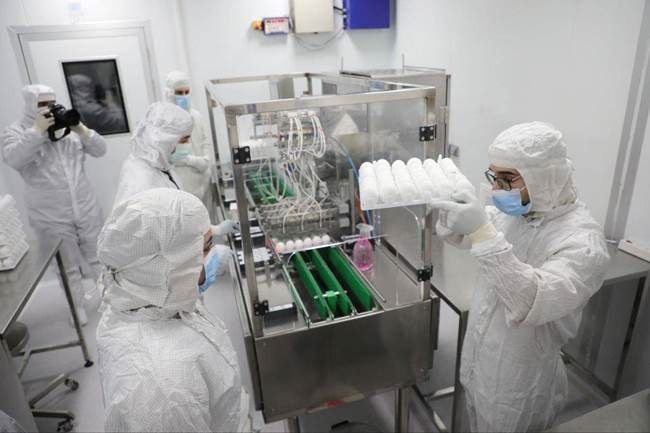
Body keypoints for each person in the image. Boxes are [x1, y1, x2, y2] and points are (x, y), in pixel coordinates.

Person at [434, 122, 610, 432]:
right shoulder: (520, 214)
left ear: (543, 179)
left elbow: (530, 300)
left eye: (506, 180)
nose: (497, 190)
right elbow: (471, 233)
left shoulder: (583, 243)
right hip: (480, 363)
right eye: (494, 178)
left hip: (520, 385)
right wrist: (454, 215)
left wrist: (482, 232)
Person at [96, 188, 249, 432]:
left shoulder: (153, 300)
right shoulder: (162, 390)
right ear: (168, 269)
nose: (210, 257)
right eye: (205, 249)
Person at [1, 84, 107, 324]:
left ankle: (110, 300)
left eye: (51, 103)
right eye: (42, 104)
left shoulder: (66, 128)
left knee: (99, 256)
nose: (48, 108)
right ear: (30, 105)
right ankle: (76, 307)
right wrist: (36, 132)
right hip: (49, 213)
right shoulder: (16, 131)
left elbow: (100, 149)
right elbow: (14, 159)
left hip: (85, 205)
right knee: (67, 265)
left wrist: (80, 128)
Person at [112, 101, 193, 206]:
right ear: (165, 140)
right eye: (184, 139)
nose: (188, 144)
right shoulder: (140, 180)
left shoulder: (158, 165)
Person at [164, 71, 214, 205]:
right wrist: (196, 161)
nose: (184, 96)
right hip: (183, 184)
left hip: (203, 181)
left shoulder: (196, 116)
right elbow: (171, 157)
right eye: (179, 93)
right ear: (170, 94)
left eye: (187, 92)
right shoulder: (166, 121)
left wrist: (206, 160)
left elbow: (205, 142)